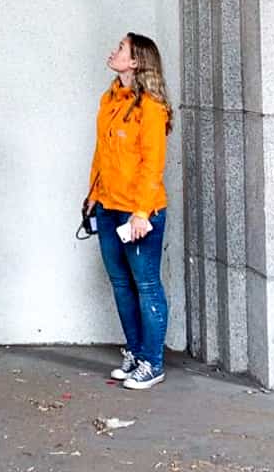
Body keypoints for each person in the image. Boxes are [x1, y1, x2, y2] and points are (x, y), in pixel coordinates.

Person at [84, 32, 172, 390]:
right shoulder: (110, 98)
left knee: (146, 284)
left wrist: (140, 213)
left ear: (136, 62)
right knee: (121, 284)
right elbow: (102, 153)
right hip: (108, 206)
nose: (113, 50)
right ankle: (136, 353)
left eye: (120, 48)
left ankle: (153, 362)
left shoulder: (151, 107)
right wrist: (93, 194)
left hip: (138, 212)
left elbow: (153, 164)